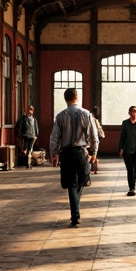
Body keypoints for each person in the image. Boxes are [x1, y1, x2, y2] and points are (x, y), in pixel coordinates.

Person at [49, 87, 99, 226]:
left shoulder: (60, 116)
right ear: (77, 98)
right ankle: (75, 213)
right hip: (81, 153)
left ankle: (75, 213)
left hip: (66, 154)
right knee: (80, 181)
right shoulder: (86, 114)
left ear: (65, 99)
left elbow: (54, 137)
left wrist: (54, 153)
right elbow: (94, 137)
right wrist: (94, 153)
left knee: (72, 183)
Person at [118, 105, 136, 196]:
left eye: (135, 112)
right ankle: (131, 188)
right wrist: (121, 148)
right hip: (128, 151)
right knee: (129, 170)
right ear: (129, 113)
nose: (133, 114)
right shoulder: (125, 123)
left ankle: (133, 183)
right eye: (131, 112)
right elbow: (122, 137)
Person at [14, 105, 38, 169]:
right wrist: (36, 135)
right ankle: (29, 163)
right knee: (30, 149)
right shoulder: (34, 119)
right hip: (32, 136)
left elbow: (18, 125)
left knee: (26, 148)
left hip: (26, 135)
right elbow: (36, 129)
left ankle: (27, 163)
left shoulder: (24, 118)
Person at [89, 106, 106, 173]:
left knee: (90, 153)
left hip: (89, 139)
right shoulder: (95, 120)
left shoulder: (89, 117)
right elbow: (99, 129)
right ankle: (94, 166)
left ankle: (91, 166)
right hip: (95, 138)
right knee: (94, 153)